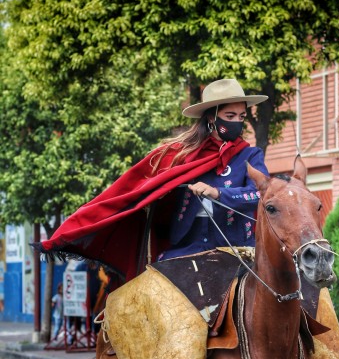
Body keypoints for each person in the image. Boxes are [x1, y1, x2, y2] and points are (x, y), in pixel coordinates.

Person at [38, 79, 269, 281]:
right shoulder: (181, 154)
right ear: (211, 117)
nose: (237, 122)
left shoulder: (250, 155)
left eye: (241, 116)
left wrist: (218, 193)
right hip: (188, 247)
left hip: (237, 247)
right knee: (153, 295)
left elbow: (260, 195)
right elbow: (139, 185)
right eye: (230, 116)